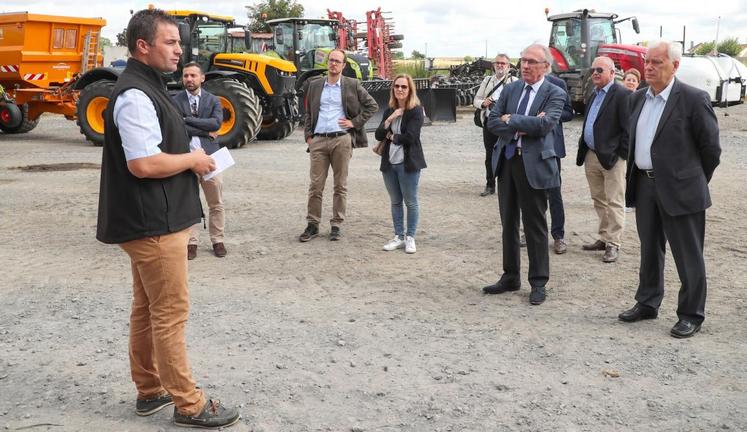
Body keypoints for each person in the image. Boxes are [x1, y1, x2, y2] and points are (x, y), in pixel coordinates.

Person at [95, 9, 239, 429]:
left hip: (153, 221)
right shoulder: (136, 94)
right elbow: (143, 163)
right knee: (170, 312)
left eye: (179, 42)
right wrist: (194, 159)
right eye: (171, 42)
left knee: (147, 308)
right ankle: (189, 403)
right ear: (144, 45)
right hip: (153, 224)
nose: (180, 50)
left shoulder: (150, 88)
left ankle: (149, 389)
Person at [619, 40, 720, 338]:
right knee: (650, 250)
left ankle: (691, 314)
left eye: (657, 62)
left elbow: (710, 150)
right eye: (647, 62)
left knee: (688, 255)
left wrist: (692, 181)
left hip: (682, 190)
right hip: (645, 186)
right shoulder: (637, 99)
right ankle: (648, 302)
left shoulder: (693, 99)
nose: (649, 67)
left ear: (675, 65)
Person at [483, 44, 565, 305]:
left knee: (535, 225)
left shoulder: (555, 92)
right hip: (508, 163)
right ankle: (510, 276)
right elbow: (492, 121)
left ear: (545, 66)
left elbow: (544, 125)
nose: (525, 66)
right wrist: (518, 123)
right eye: (523, 60)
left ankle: (538, 282)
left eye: (531, 61)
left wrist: (512, 119)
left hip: (535, 166)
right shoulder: (511, 88)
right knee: (508, 223)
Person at [300, 49, 378, 242]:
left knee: (340, 185)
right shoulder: (315, 85)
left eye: (338, 61)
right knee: (315, 185)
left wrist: (354, 123)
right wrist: (309, 135)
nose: (333, 63)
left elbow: (372, 106)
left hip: (342, 140)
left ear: (343, 66)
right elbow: (309, 112)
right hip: (318, 140)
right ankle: (313, 224)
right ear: (327, 63)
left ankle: (336, 224)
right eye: (331, 60)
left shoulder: (352, 84)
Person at [576, 56, 630, 263]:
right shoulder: (594, 93)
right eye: (593, 70)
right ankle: (604, 237)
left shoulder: (622, 94)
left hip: (612, 159)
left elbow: (628, 130)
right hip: (591, 154)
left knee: (614, 200)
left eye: (600, 70)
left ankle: (614, 243)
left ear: (612, 72)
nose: (595, 73)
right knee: (599, 199)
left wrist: (621, 156)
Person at [172, 62, 226, 260]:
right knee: (189, 203)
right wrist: (204, 129)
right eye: (186, 76)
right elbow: (177, 127)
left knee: (216, 202)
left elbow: (216, 123)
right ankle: (191, 243)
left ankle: (217, 240)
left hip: (210, 158)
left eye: (193, 75)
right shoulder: (175, 101)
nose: (189, 79)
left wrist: (187, 120)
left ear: (202, 78)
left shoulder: (213, 100)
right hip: (185, 159)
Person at [374, 74, 427, 253]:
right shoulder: (390, 110)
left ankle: (410, 237)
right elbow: (378, 135)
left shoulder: (416, 110)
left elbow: (410, 137)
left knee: (410, 202)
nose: (400, 90)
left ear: (410, 89)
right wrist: (390, 119)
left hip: (408, 163)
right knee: (395, 201)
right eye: (397, 86)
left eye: (404, 87)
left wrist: (391, 136)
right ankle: (398, 236)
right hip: (389, 164)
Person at [472, 53, 517, 196]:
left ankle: (509, 185)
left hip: (506, 125)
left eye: (503, 63)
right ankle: (490, 184)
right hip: (490, 123)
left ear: (508, 66)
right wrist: (483, 103)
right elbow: (476, 100)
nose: (500, 65)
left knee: (509, 154)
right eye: (497, 63)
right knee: (490, 155)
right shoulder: (487, 81)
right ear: (493, 65)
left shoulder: (514, 82)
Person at [543, 68, 574, 254]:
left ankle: (558, 235)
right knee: (530, 194)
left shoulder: (558, 84)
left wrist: (549, 115)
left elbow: (569, 113)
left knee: (554, 193)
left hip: (552, 147)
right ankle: (530, 232)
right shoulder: (521, 86)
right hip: (529, 147)